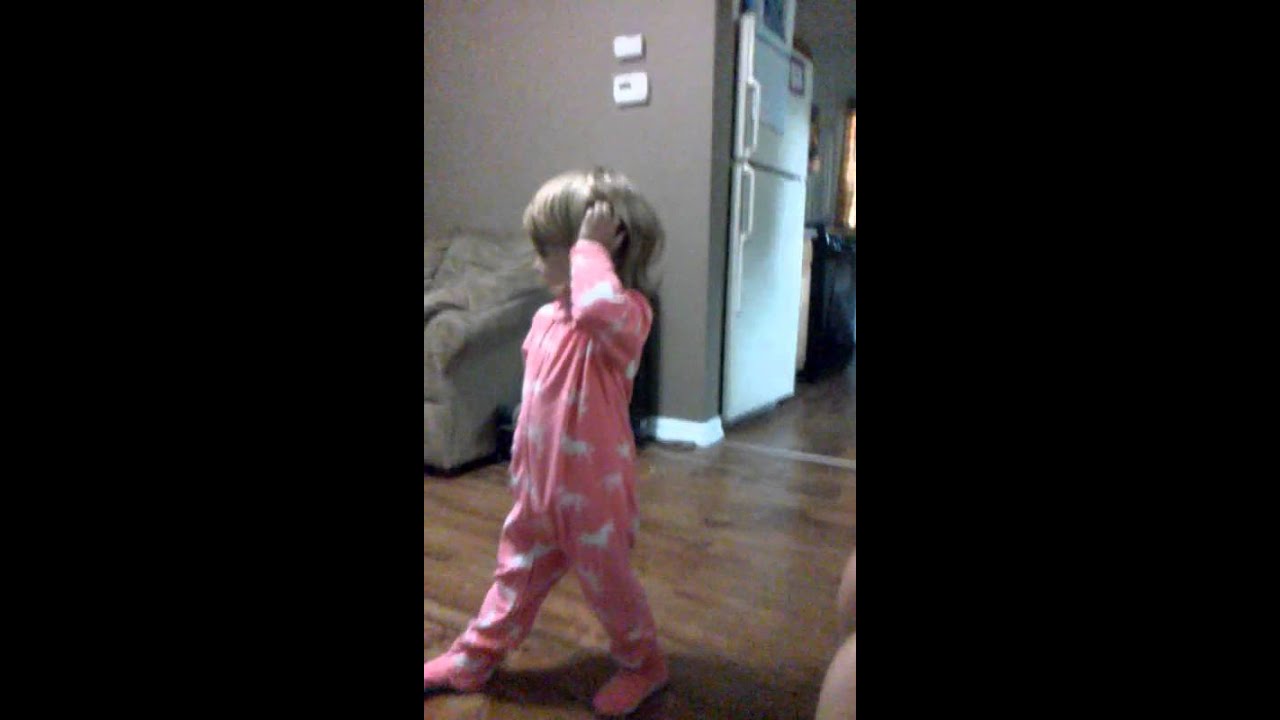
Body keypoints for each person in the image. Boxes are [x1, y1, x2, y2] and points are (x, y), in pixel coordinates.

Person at [425, 168, 667, 717]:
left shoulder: (627, 317)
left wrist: (589, 247)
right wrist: (521, 468)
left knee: (611, 588)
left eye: (546, 250)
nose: (536, 263)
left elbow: (597, 307)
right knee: (513, 579)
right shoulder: (542, 320)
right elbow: (535, 407)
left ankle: (644, 663)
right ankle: (474, 657)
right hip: (538, 492)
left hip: (595, 498)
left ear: (601, 252)